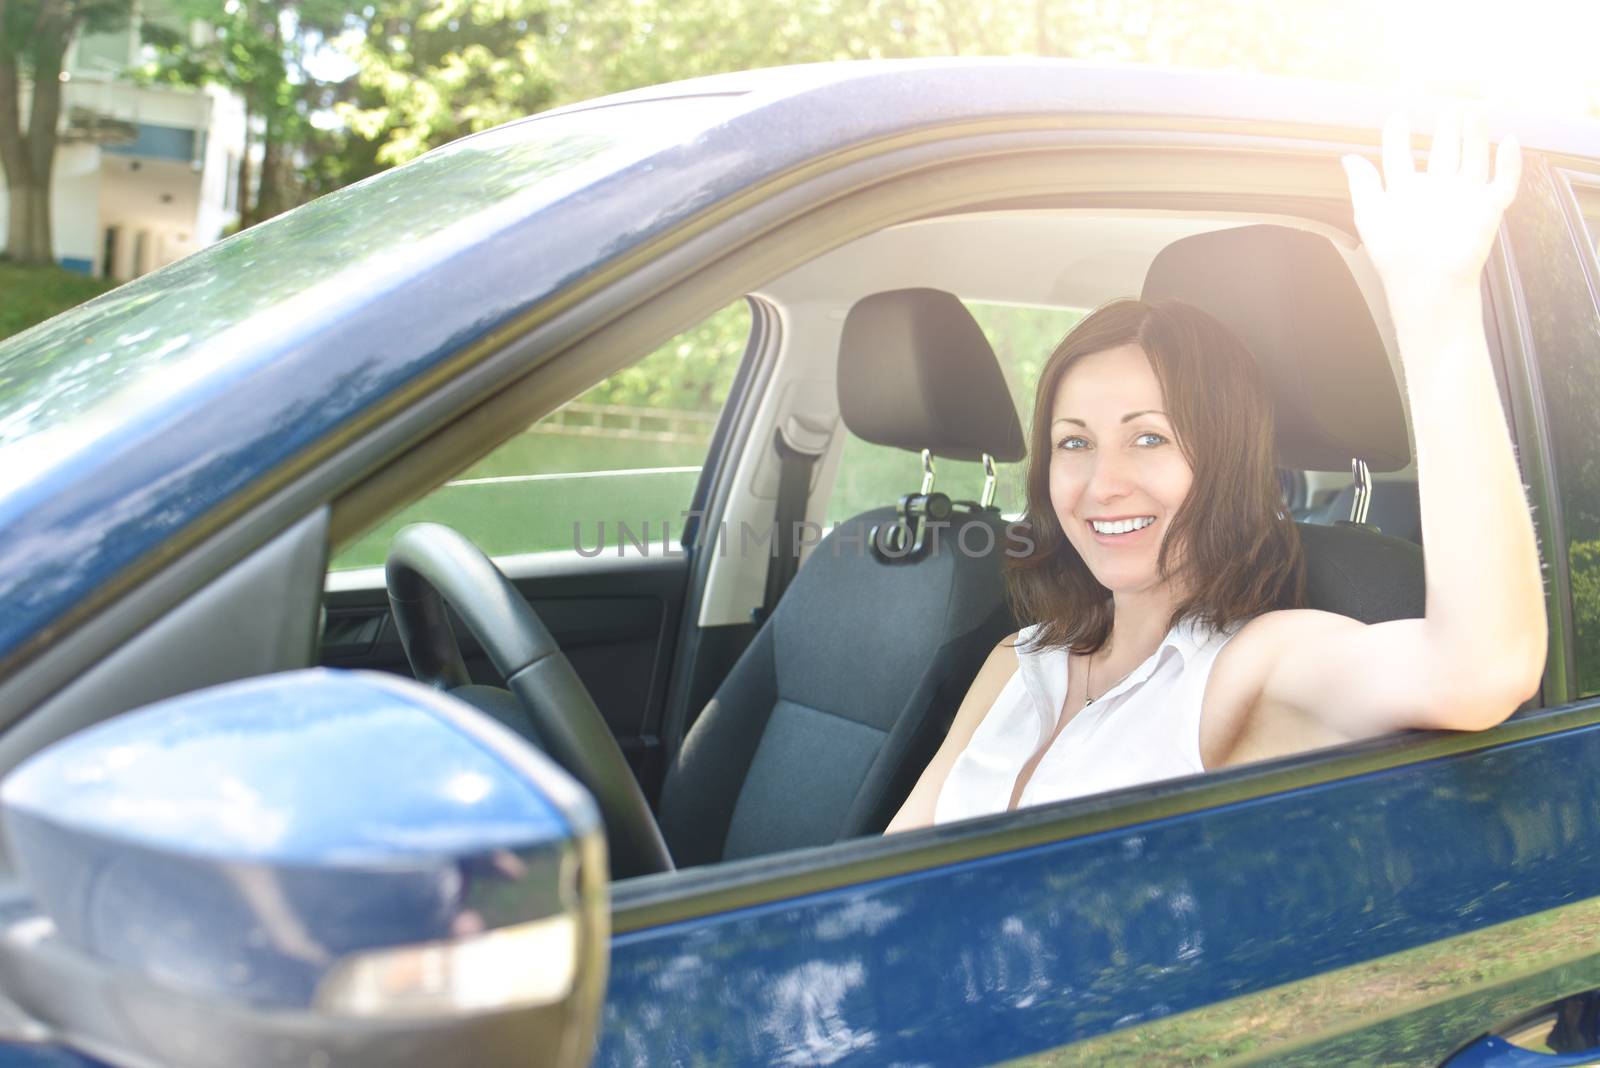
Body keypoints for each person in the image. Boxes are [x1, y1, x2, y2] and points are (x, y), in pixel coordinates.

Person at [886, 111, 1546, 832]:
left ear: (1225, 461)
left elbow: (1480, 669)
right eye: (1074, 443)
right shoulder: (1018, 660)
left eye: (1149, 439)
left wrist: (1436, 305)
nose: (1102, 484)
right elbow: (881, 880)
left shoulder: (1251, 668)